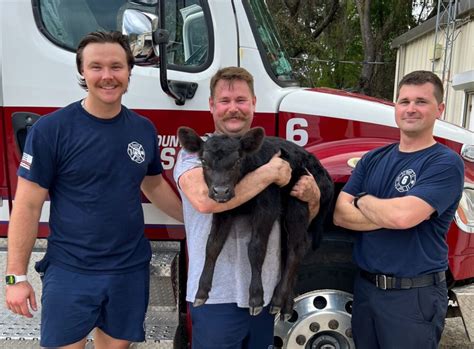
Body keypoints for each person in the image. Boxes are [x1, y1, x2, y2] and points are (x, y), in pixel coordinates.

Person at [5, 31, 183, 349]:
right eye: (96, 67)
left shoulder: (142, 129)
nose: (107, 76)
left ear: (129, 72)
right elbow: (27, 205)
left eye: (116, 66)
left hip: (128, 270)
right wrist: (15, 277)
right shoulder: (51, 130)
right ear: (82, 72)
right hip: (72, 270)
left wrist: (197, 217)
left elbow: (154, 185)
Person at [173, 66, 321, 349]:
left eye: (241, 101)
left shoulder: (270, 154)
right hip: (216, 295)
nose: (233, 109)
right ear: (212, 106)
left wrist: (312, 198)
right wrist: (268, 174)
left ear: (253, 104)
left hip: (263, 295)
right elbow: (206, 200)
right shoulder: (195, 153)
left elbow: (298, 223)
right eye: (225, 102)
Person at [333, 70, 464, 349]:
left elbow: (402, 217)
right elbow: (340, 214)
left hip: (413, 297)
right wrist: (388, 213)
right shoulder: (373, 158)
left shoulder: (445, 163)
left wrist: (362, 200)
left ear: (439, 109)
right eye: (404, 101)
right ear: (396, 107)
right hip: (366, 291)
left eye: (421, 101)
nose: (411, 109)